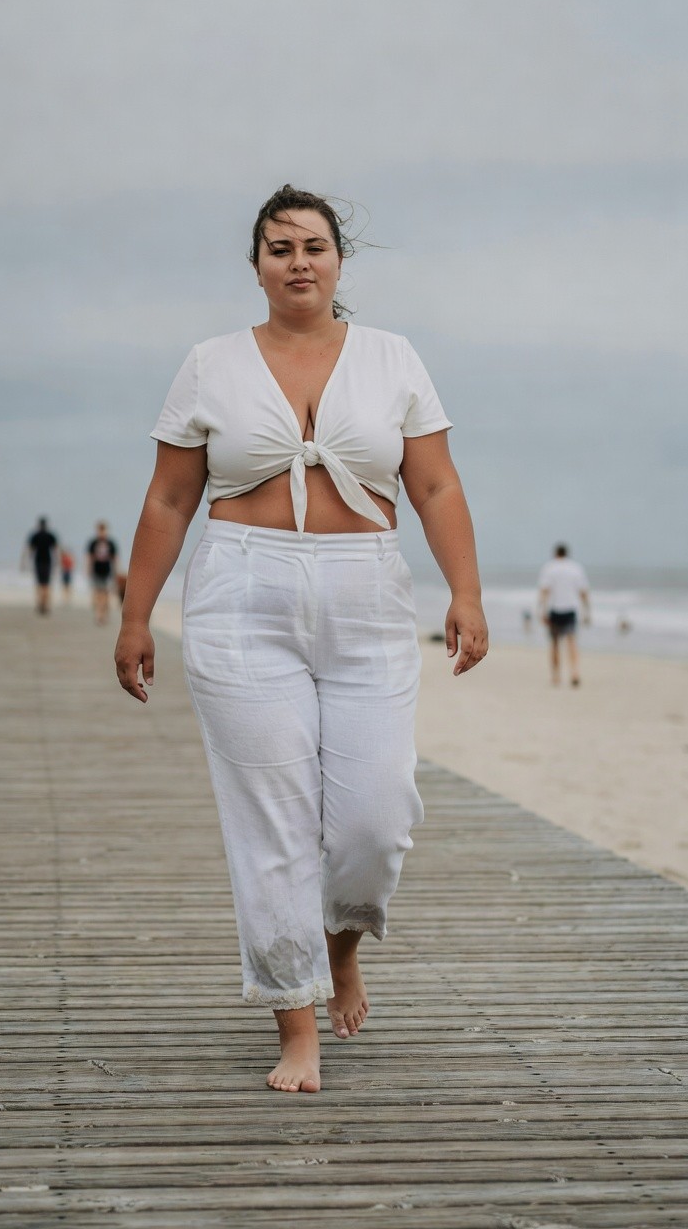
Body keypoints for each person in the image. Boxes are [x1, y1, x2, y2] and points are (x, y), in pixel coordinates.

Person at [114, 185, 488, 1094]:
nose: (298, 261)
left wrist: (466, 592)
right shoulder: (210, 364)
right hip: (242, 593)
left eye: (313, 246)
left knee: (376, 816)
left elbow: (435, 487)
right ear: (257, 267)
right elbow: (169, 499)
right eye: (279, 248)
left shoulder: (393, 359)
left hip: (367, 593)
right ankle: (296, 1025)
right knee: (273, 824)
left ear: (338, 261)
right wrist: (135, 614)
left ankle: (337, 946)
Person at [538, 543, 591, 687]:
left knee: (555, 644)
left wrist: (541, 610)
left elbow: (544, 591)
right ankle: (574, 673)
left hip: (555, 609)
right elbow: (583, 592)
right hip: (570, 609)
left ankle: (556, 676)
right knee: (572, 643)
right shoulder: (576, 568)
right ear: (567, 554)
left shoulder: (549, 568)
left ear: (555, 554)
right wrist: (587, 611)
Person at [23, 516, 58, 615]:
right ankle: (45, 605)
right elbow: (55, 550)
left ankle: (40, 604)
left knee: (39, 585)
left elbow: (30, 550)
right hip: (47, 562)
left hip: (38, 562)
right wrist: (57, 562)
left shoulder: (35, 535)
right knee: (46, 585)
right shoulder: (50, 535)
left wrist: (25, 561)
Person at [87, 522, 119, 624]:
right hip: (96, 571)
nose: (101, 532)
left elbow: (114, 559)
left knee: (105, 593)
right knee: (97, 593)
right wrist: (88, 569)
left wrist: (115, 572)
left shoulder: (110, 543)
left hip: (107, 571)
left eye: (103, 530)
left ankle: (104, 614)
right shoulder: (93, 543)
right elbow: (90, 558)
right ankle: (99, 614)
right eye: (100, 530)